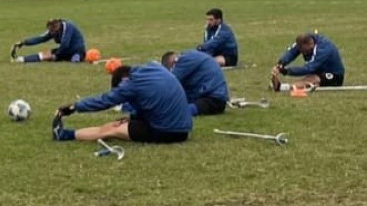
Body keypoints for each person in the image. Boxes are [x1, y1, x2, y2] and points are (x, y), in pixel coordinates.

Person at [52, 62, 192, 144]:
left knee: (111, 129)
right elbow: (153, 102)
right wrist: (133, 117)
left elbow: (104, 101)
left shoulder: (131, 84)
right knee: (121, 123)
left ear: (123, 82)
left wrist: (75, 107)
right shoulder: (154, 68)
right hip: (183, 128)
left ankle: (65, 135)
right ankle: (68, 134)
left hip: (167, 132)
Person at [271, 32, 346, 92]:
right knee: (313, 77)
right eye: (302, 52)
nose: (305, 54)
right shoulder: (305, 41)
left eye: (306, 52)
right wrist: (280, 64)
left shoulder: (323, 49)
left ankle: (282, 87)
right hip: (319, 71)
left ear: (311, 44)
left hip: (334, 75)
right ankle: (282, 86)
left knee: (314, 78)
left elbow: (308, 69)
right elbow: (291, 52)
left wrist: (286, 71)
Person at [162, 50, 229, 116]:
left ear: (173, 63)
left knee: (178, 111)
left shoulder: (184, 61)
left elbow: (170, 81)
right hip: (216, 96)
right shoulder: (191, 57)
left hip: (212, 98)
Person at [12, 19, 87, 63]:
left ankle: (77, 56)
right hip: (66, 50)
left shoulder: (67, 27)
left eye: (52, 30)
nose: (50, 33)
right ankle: (74, 58)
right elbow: (40, 38)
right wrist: (24, 42)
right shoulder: (54, 30)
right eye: (49, 30)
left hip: (77, 48)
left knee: (48, 55)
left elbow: (65, 44)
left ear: (57, 26)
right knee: (51, 55)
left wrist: (56, 54)